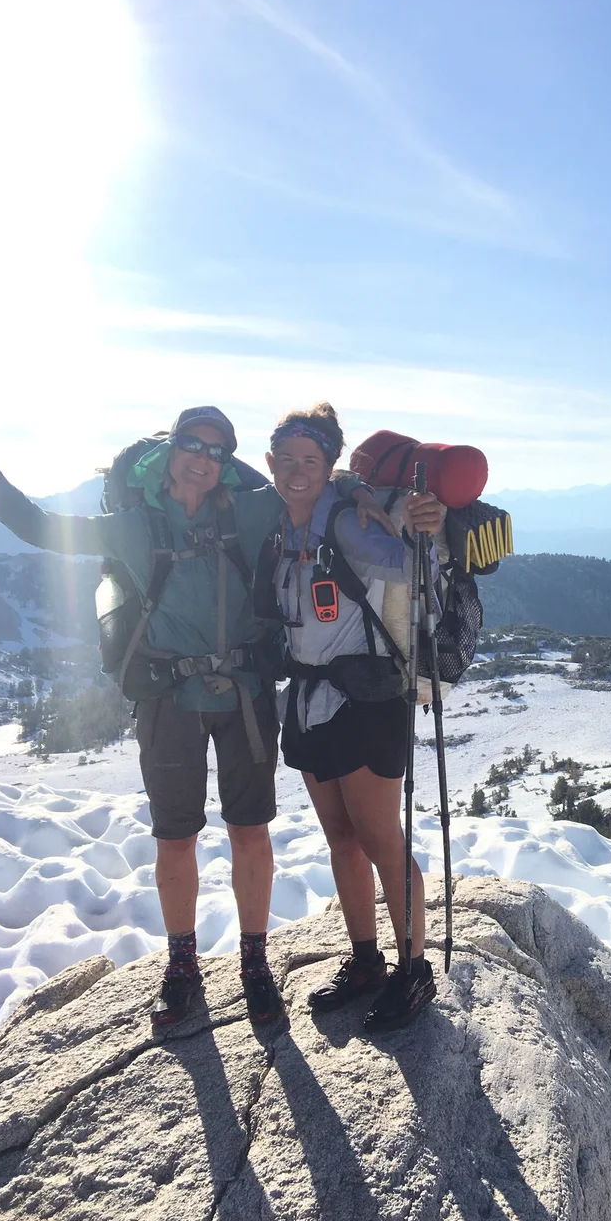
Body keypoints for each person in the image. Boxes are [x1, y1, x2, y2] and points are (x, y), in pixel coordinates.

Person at [0, 402, 388, 1029]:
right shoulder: (134, 525)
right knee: (176, 835)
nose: (204, 461)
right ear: (170, 450)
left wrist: (358, 490)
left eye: (219, 453)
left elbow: (308, 486)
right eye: (195, 445)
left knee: (250, 829)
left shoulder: (250, 509)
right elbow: (37, 525)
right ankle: (183, 966)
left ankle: (253, 962)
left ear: (229, 465)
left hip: (243, 693)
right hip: (168, 698)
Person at [265, 403, 445, 1031]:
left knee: (379, 840)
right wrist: (353, 485)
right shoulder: (281, 523)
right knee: (341, 838)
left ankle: (414, 970)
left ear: (328, 465)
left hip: (365, 703)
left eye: (309, 461)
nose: (294, 471)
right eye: (285, 459)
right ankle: (366, 960)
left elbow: (405, 563)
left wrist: (424, 528)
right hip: (310, 701)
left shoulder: (344, 524)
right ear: (269, 463)